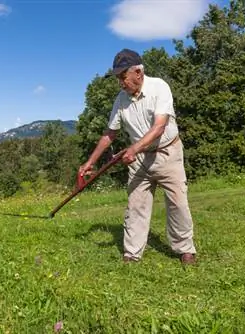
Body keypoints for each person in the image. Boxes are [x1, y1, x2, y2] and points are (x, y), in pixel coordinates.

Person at [78, 48, 197, 265]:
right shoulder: (121, 99)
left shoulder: (159, 87)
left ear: (138, 73)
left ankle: (185, 249)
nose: (121, 83)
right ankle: (132, 254)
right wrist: (90, 162)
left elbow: (159, 127)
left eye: (123, 77)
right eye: (118, 78)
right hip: (140, 161)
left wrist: (134, 149)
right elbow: (109, 134)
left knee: (177, 203)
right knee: (136, 205)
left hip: (167, 153)